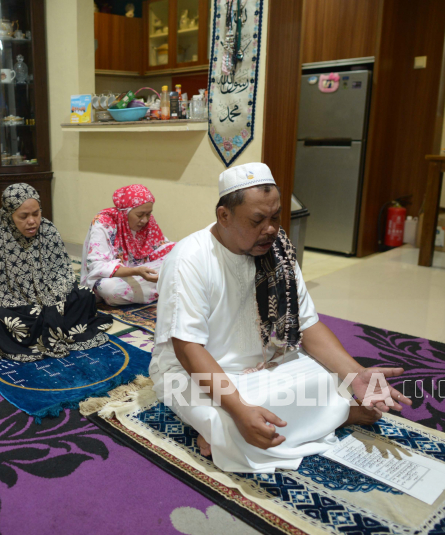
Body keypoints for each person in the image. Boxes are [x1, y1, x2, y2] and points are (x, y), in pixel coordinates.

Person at [150, 163, 411, 473]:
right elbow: (188, 350)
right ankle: (330, 415)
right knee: (235, 416)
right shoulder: (189, 259)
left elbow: (307, 324)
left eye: (275, 217)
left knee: (332, 378)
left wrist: (356, 375)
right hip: (194, 372)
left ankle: (224, 436)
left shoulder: (278, 251)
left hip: (271, 363)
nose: (271, 229)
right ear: (224, 216)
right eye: (258, 220)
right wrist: (239, 409)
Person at [0, 184, 113, 366]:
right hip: (12, 305)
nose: (32, 221)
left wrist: (50, 300)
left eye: (36, 213)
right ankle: (42, 324)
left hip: (48, 296)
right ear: (9, 215)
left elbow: (62, 274)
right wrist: (30, 306)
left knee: (84, 295)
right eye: (23, 216)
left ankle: (42, 322)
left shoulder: (48, 230)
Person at [81, 185, 175, 305]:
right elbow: (97, 266)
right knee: (108, 289)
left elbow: (161, 248)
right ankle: (169, 286)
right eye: (140, 215)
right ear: (125, 212)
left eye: (148, 214)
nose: (145, 220)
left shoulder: (148, 221)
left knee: (179, 257)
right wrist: (135, 271)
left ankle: (162, 286)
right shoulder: (103, 222)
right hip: (117, 277)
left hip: (143, 271)